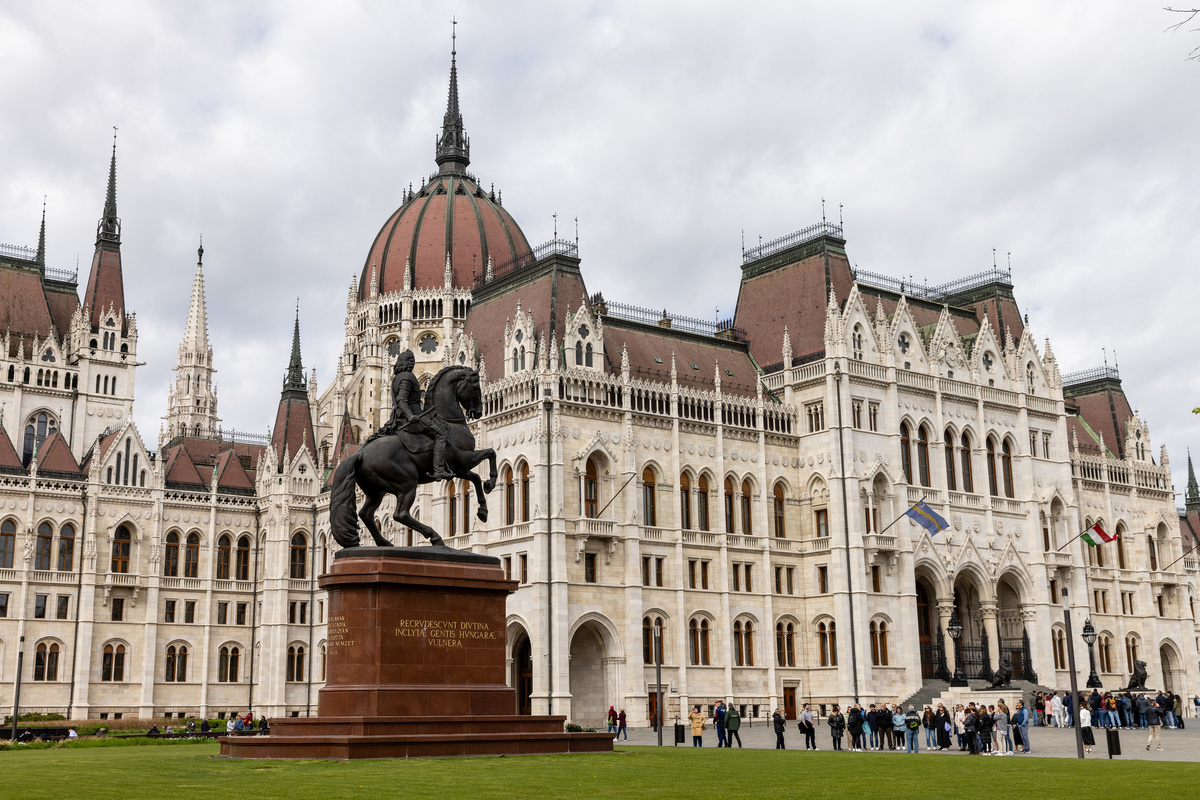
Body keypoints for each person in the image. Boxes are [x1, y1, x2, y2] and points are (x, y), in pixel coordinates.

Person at [381, 349, 454, 479]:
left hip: (400, 417)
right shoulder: (407, 377)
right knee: (440, 435)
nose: (413, 363)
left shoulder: (397, 378)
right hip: (411, 417)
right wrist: (409, 415)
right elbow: (401, 400)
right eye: (411, 361)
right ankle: (439, 470)